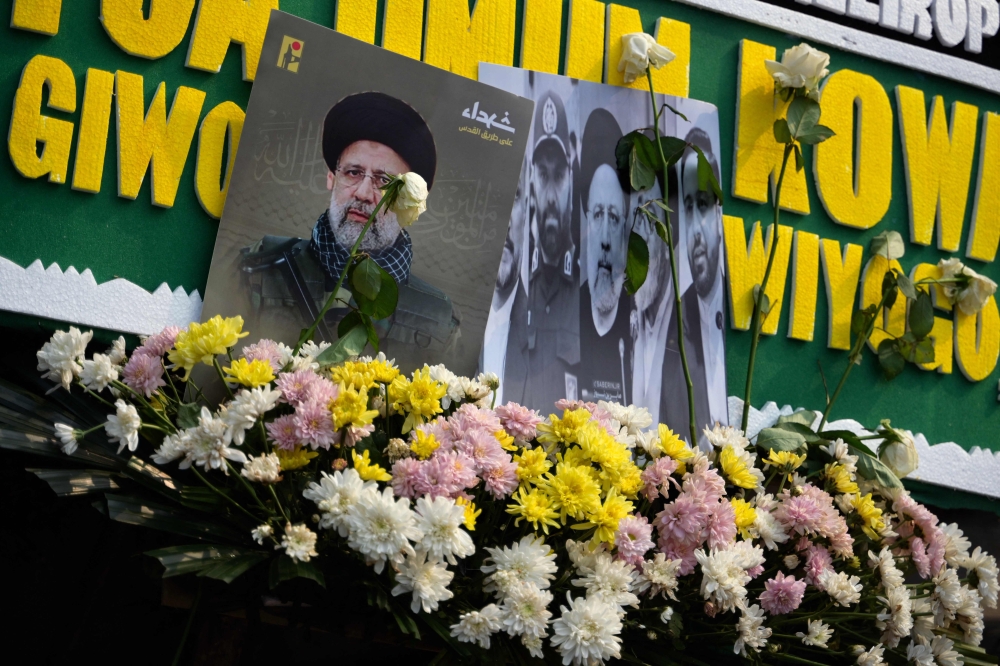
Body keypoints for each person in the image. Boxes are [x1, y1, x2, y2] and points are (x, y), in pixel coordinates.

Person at [239, 92, 460, 364]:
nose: (364, 193)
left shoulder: (437, 315)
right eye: (353, 173)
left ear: (405, 201)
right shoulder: (259, 265)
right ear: (332, 178)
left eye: (384, 181)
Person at [502, 90, 580, 409]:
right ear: (531, 181)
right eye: (543, 175)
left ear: (571, 179)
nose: (550, 197)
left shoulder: (585, 295)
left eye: (558, 176)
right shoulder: (514, 290)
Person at [577, 109, 631, 404]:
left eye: (614, 217)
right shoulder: (571, 316)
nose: (607, 241)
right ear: (587, 221)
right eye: (599, 215)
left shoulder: (639, 327)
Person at [680, 126, 727, 430]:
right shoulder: (675, 319)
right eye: (688, 207)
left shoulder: (741, 311)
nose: (696, 228)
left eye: (704, 205)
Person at [481, 155, 530, 405]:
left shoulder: (539, 338)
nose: (506, 220)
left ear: (529, 209)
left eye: (515, 197)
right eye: (497, 197)